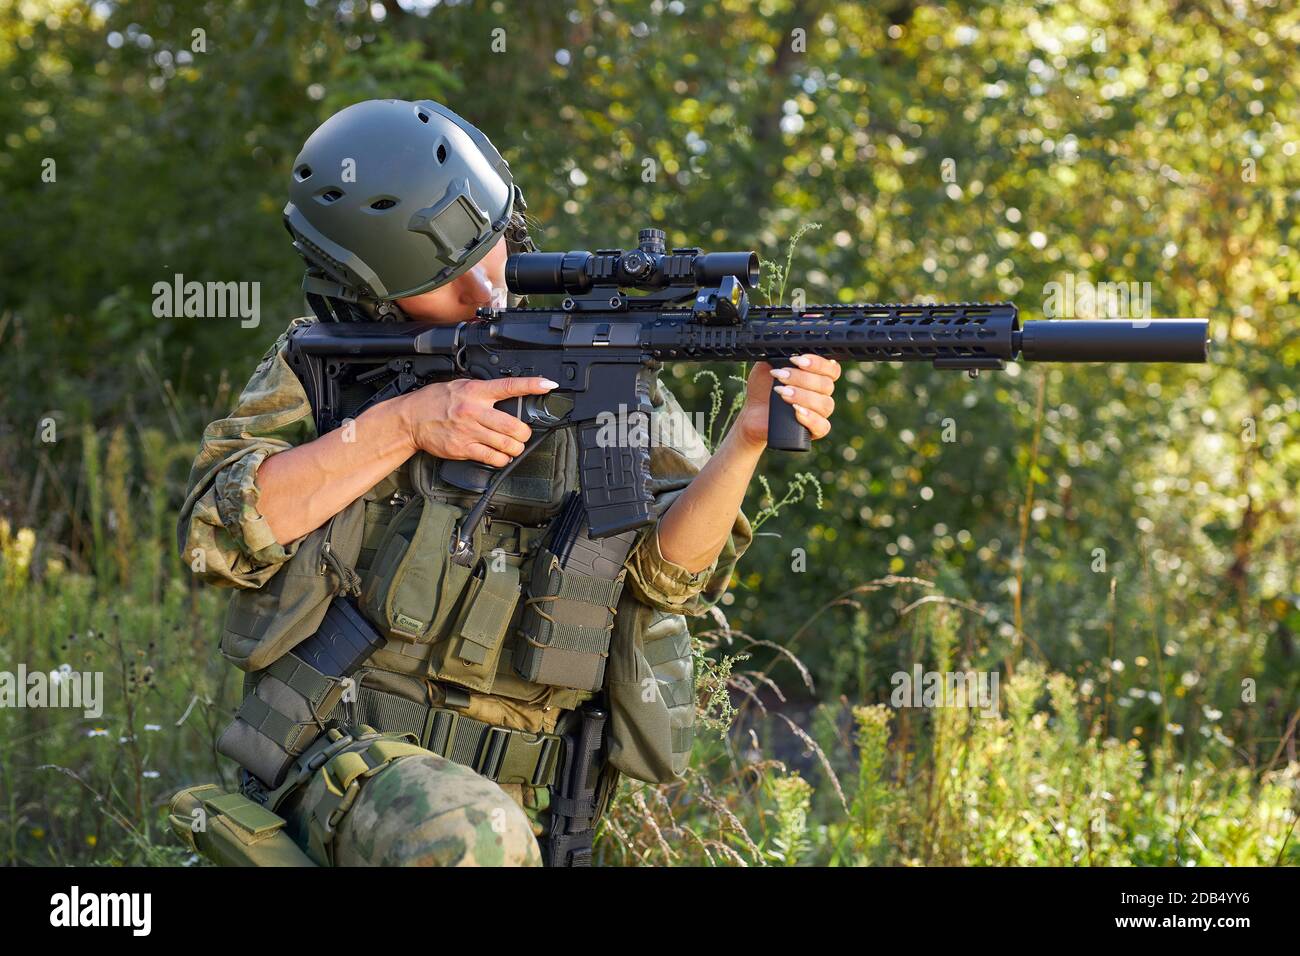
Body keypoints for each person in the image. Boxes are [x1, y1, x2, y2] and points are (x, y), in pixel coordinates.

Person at [176, 98, 841, 867]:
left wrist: (748, 439)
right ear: (368, 295)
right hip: (344, 759)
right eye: (439, 281)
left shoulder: (604, 366)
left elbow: (674, 580)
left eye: (489, 252)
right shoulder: (323, 366)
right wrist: (405, 424)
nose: (480, 291)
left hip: (543, 803)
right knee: (471, 838)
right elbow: (214, 537)